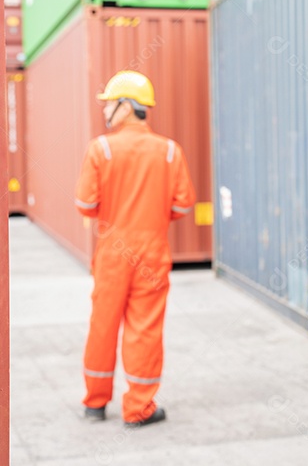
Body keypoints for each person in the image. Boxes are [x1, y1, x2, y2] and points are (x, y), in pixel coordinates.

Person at [74, 70, 196, 427]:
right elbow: (183, 205)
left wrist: (112, 213)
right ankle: (138, 408)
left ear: (127, 107)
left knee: (103, 324)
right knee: (145, 329)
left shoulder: (102, 149)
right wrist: (153, 214)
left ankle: (95, 404)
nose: (106, 111)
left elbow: (85, 203)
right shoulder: (170, 151)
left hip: (112, 251)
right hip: (152, 251)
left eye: (110, 104)